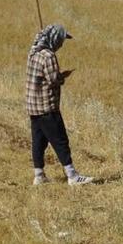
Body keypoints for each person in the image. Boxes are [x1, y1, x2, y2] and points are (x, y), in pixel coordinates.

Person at [26, 24, 93, 186]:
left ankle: (39, 175)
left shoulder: (33, 51)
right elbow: (53, 81)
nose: (62, 44)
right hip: (47, 107)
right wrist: (63, 76)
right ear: (55, 39)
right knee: (60, 140)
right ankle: (72, 176)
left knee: (38, 142)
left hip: (33, 107)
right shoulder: (48, 56)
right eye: (61, 40)